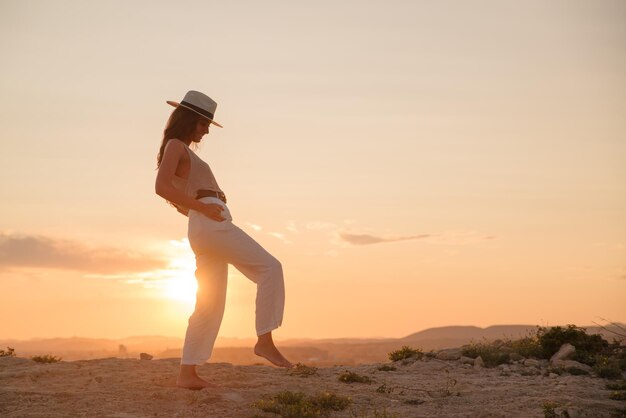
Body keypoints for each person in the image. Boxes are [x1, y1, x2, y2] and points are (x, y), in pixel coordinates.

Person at [155, 90, 293, 390]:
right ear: (190, 119)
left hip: (205, 227)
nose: (206, 130)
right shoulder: (177, 145)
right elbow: (161, 187)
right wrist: (205, 208)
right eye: (203, 123)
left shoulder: (182, 150)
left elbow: (178, 196)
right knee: (271, 268)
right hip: (209, 224)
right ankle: (265, 341)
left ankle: (187, 374)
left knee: (210, 304)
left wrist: (201, 211)